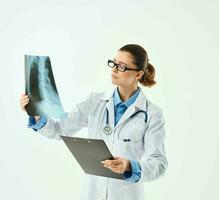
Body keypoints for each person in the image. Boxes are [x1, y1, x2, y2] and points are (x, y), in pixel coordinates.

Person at [19, 44, 167, 200]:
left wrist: (130, 166)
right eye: (114, 63)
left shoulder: (152, 114)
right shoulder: (94, 102)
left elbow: (159, 163)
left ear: (138, 74)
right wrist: (35, 113)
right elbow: (59, 130)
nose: (114, 69)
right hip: (93, 193)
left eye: (122, 67)